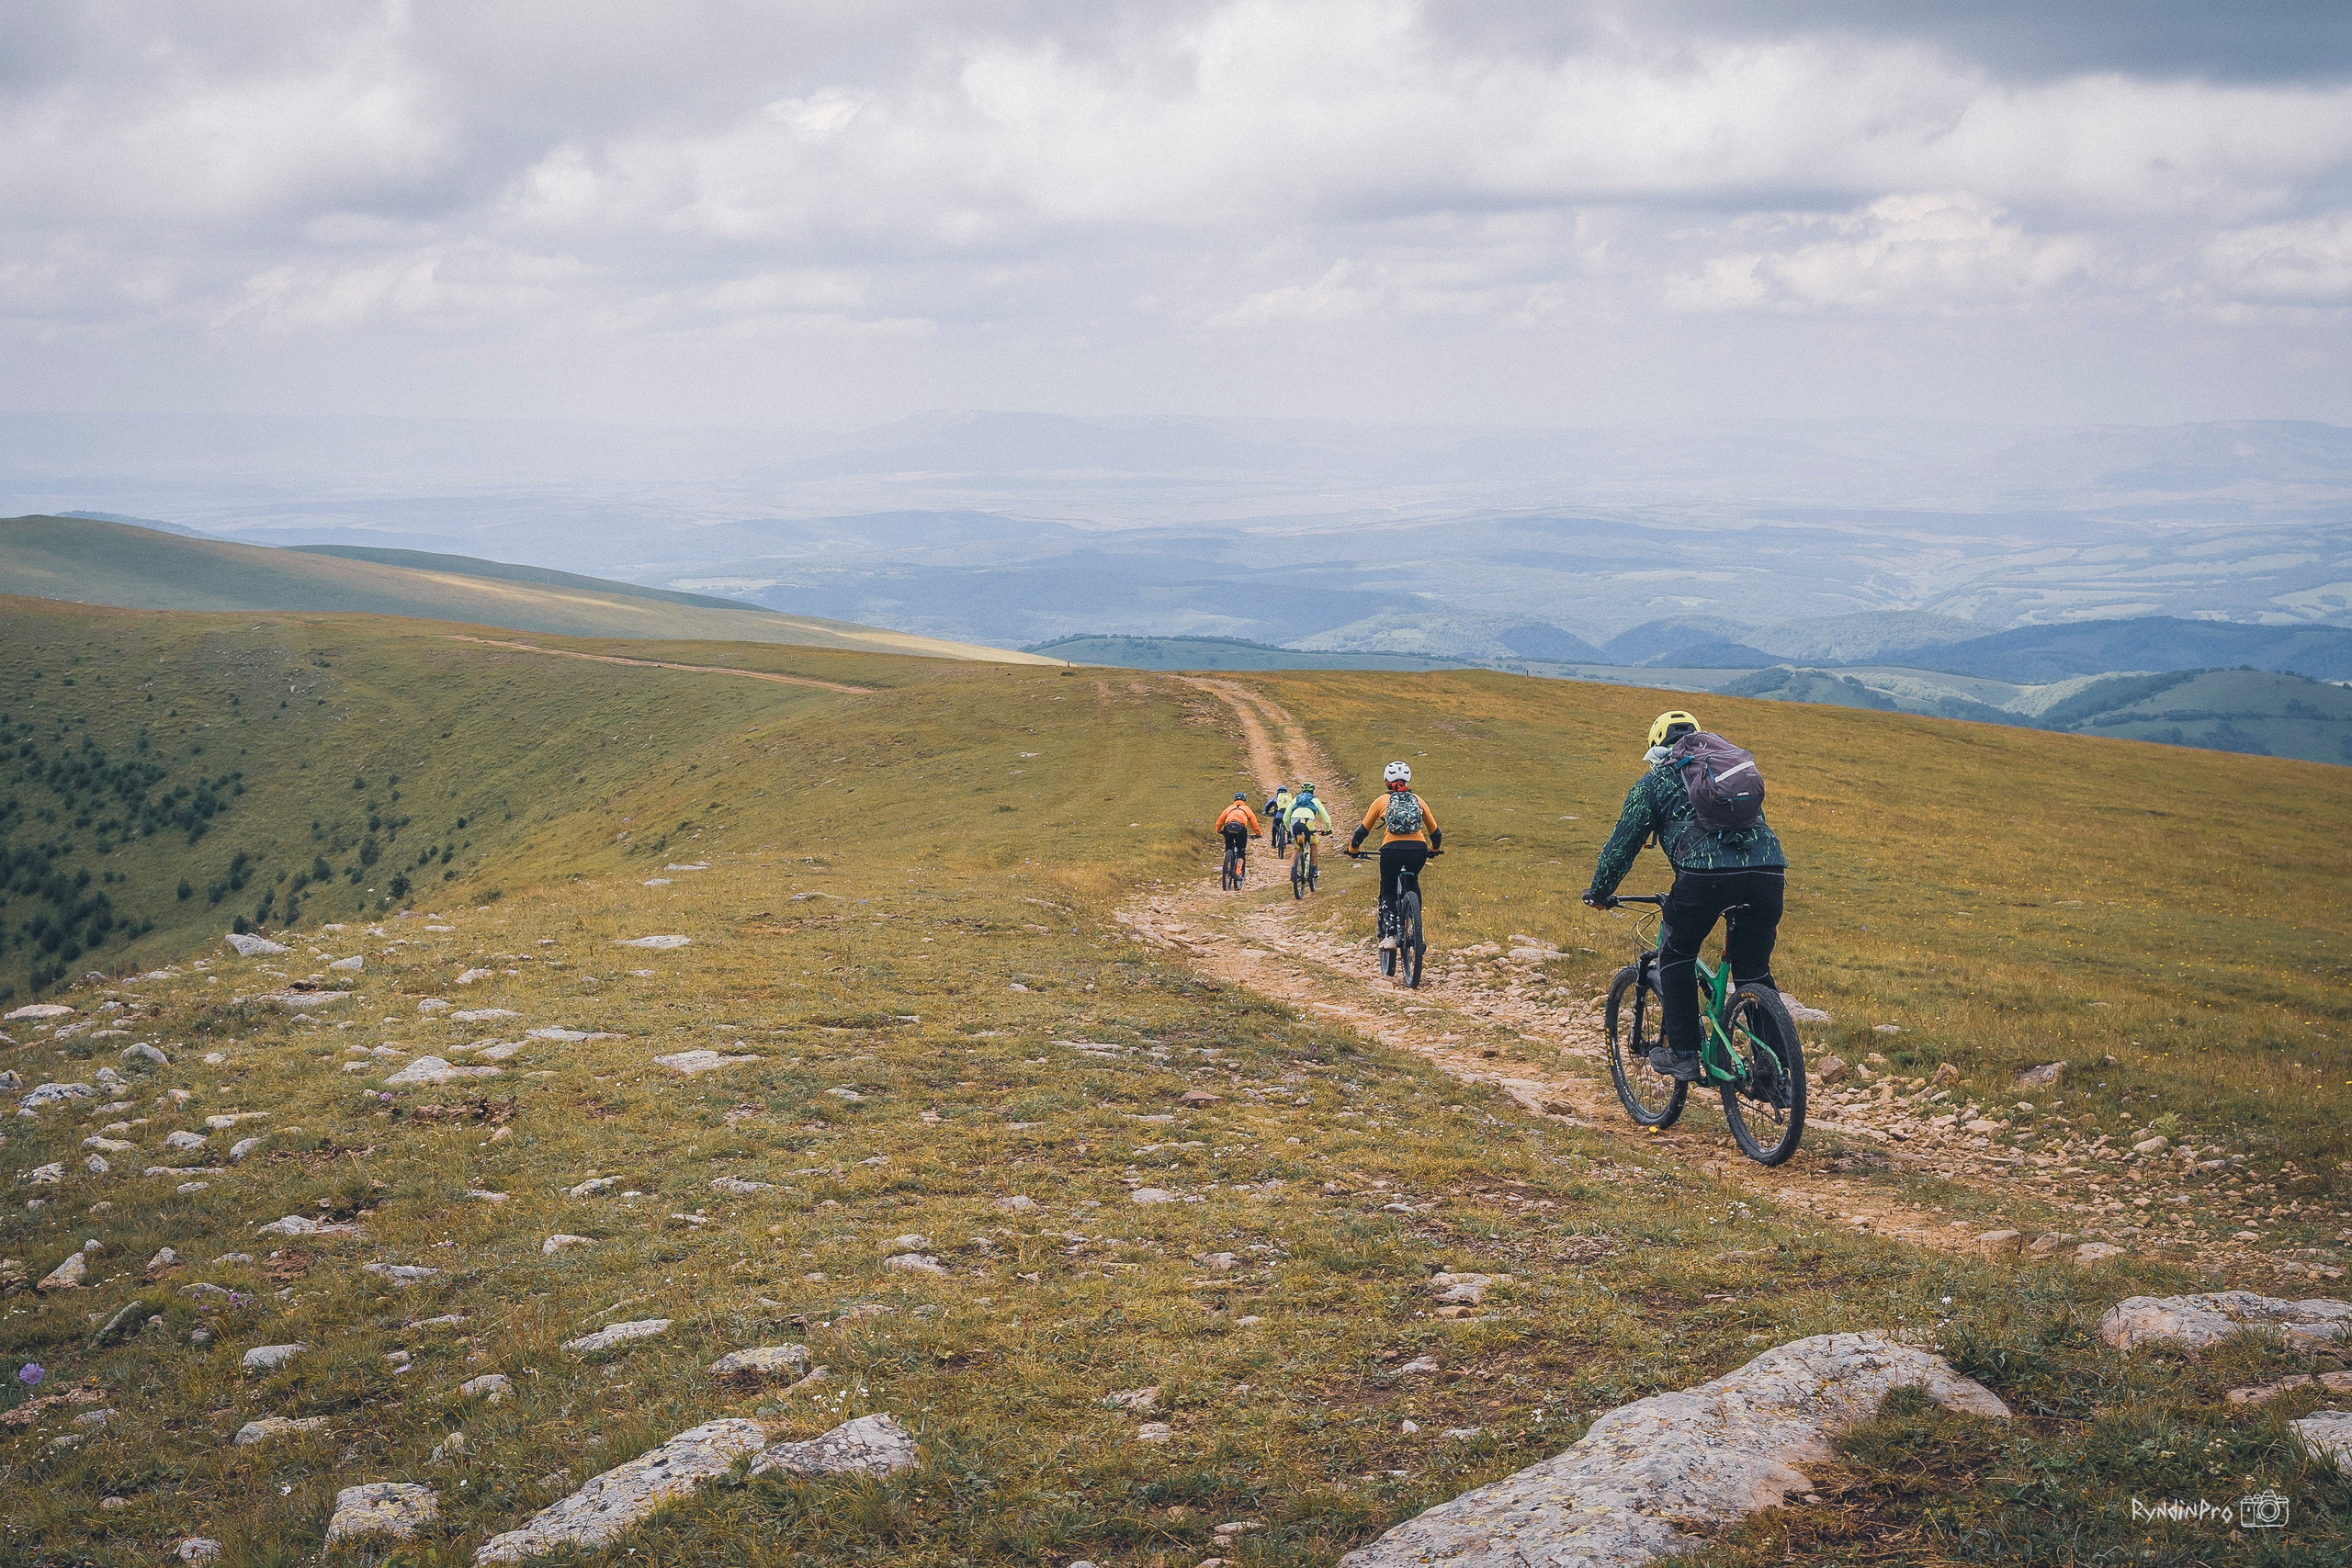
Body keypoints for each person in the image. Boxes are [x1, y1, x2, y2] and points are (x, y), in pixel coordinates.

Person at [1582, 710, 1786, 1082]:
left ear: (1656, 747)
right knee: (1753, 970)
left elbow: (1621, 846)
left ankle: (1683, 1053)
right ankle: (1776, 1073)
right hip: (1769, 872)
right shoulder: (1724, 774)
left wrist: (1599, 891)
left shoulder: (1653, 782)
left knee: (1676, 954)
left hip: (1704, 878)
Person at [1349, 761, 1442, 948]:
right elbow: (1436, 833)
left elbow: (1362, 831)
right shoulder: (1418, 799)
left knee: (1389, 889)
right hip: (1418, 850)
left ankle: (1390, 935)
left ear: (1386, 781)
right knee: (1413, 880)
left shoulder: (1382, 801)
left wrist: (1354, 849)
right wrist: (1433, 850)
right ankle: (1417, 931)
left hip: (1391, 850)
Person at [1284, 784, 1335, 874]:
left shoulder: (1295, 799)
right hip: (1308, 821)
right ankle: (1313, 869)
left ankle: (1293, 872)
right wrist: (1328, 829)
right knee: (1313, 845)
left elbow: (1285, 818)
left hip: (1294, 822)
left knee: (1297, 847)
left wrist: (1289, 830)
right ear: (1312, 791)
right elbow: (1326, 818)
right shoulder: (1315, 800)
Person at [1215, 792, 1261, 876]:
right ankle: (1237, 871)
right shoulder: (1247, 809)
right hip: (1240, 829)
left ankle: (1226, 865)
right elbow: (1254, 823)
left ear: (1234, 800)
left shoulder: (1229, 808)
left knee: (1228, 847)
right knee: (1241, 851)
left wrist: (1218, 830)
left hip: (1228, 828)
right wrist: (1258, 833)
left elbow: (1220, 821)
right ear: (1244, 800)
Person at [1264, 783, 1295, 851]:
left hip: (1278, 817)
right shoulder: (1289, 799)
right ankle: (1289, 838)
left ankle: (1273, 842)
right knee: (1289, 825)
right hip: (1288, 816)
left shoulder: (1275, 799)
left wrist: (1266, 812)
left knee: (1274, 827)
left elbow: (1267, 806)